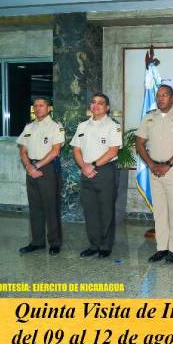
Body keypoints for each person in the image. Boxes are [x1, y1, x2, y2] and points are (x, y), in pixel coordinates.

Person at [135, 84, 173, 264]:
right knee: (159, 211)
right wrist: (151, 164)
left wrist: (168, 164)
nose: (160, 98)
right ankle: (161, 247)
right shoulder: (149, 117)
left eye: (164, 95)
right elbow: (139, 143)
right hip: (154, 170)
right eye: (158, 95)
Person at [70, 93, 122, 258]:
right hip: (86, 170)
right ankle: (94, 245)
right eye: (93, 102)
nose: (96, 105)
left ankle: (105, 246)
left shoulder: (113, 126)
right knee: (90, 210)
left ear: (107, 108)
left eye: (100, 103)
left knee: (106, 210)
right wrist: (84, 166)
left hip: (105, 170)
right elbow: (76, 149)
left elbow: (113, 151)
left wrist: (92, 165)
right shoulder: (82, 126)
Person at [16, 97, 65, 255]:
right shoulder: (29, 127)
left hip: (47, 169)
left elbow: (55, 151)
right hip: (31, 168)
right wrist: (29, 166)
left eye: (41, 105)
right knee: (35, 207)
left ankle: (55, 243)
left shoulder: (55, 127)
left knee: (51, 207)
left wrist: (36, 166)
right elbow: (23, 150)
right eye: (35, 105)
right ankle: (37, 242)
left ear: (49, 108)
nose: (38, 108)